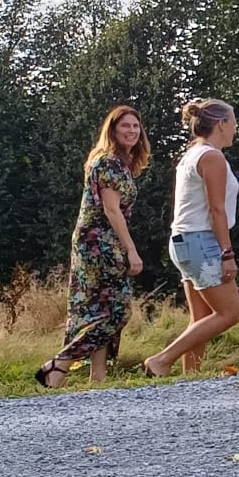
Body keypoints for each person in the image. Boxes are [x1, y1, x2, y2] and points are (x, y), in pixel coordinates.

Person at [37, 106, 150, 388]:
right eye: (125, 126)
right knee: (117, 311)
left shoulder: (120, 163)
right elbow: (112, 211)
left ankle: (97, 378)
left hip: (100, 241)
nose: (132, 131)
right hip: (98, 243)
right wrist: (131, 250)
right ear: (112, 130)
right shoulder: (108, 163)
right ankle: (58, 364)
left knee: (100, 310)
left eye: (136, 126)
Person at [143, 98, 239, 377]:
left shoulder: (192, 154)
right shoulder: (212, 157)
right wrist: (227, 253)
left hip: (185, 242)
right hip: (201, 241)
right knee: (229, 314)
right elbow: (216, 209)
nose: (236, 128)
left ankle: (192, 379)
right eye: (233, 122)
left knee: (200, 318)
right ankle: (162, 360)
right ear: (221, 124)